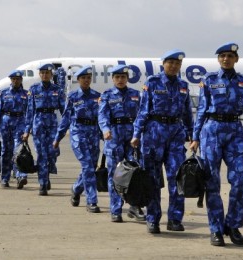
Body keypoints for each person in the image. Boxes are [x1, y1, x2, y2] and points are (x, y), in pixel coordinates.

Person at [189, 42, 243, 246]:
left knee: (239, 181)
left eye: (230, 56)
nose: (226, 59)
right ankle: (216, 229)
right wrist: (195, 138)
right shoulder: (209, 80)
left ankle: (233, 226)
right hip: (211, 131)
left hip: (235, 132)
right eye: (222, 56)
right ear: (218, 59)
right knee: (212, 182)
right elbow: (202, 110)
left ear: (236, 59)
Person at [130, 49, 193, 234]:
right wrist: (136, 134)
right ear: (163, 64)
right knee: (152, 179)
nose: (173, 66)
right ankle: (153, 219)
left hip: (175, 135)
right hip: (153, 135)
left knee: (177, 178)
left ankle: (174, 219)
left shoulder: (183, 85)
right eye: (170, 63)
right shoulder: (152, 82)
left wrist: (192, 134)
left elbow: (187, 112)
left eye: (177, 64)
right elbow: (143, 110)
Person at [98, 64, 146, 222]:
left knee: (134, 173)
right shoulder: (107, 95)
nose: (120, 80)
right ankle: (116, 209)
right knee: (115, 174)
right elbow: (102, 115)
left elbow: (141, 115)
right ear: (112, 79)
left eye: (123, 77)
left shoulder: (135, 94)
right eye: (117, 77)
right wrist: (105, 129)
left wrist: (139, 133)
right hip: (114, 137)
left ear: (127, 78)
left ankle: (134, 206)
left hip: (132, 137)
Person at [53, 65, 102, 212]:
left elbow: (102, 118)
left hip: (93, 134)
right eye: (83, 78)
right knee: (87, 165)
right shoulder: (73, 97)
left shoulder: (97, 96)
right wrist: (58, 137)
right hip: (78, 133)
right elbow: (66, 119)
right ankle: (91, 201)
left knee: (92, 167)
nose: (86, 80)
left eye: (88, 78)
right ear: (78, 80)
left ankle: (76, 188)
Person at [23, 64, 65, 196]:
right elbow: (30, 111)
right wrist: (26, 130)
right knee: (41, 154)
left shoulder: (57, 90)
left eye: (47, 73)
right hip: (38, 123)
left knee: (53, 152)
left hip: (52, 123)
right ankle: (43, 183)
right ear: (39, 75)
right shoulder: (34, 89)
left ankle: (47, 172)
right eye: (42, 73)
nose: (45, 75)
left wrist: (68, 124)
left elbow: (64, 110)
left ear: (51, 75)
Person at [0, 70, 29, 188]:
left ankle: (21, 175)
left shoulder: (26, 94)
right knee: (6, 152)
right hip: (5, 123)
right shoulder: (4, 93)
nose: (16, 81)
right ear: (11, 80)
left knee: (19, 150)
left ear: (21, 80)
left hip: (20, 122)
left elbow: (29, 112)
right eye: (13, 79)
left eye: (18, 79)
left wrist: (28, 129)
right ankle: (5, 178)